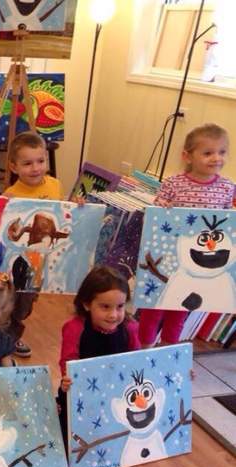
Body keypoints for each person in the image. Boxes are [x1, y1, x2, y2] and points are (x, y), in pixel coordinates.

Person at [138, 123, 235, 347]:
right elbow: (156, 217)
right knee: (154, 307)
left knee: (181, 308)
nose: (216, 158)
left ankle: (170, 349)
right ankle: (144, 348)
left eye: (222, 152)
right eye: (208, 153)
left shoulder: (227, 187)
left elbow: (226, 225)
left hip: (199, 263)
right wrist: (163, 210)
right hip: (169, 256)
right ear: (187, 156)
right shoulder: (174, 184)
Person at [57, 266, 140, 446]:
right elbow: (68, 362)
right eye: (105, 307)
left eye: (120, 306)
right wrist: (67, 379)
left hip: (116, 394)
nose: (113, 315)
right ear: (87, 304)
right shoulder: (75, 327)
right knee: (70, 436)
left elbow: (138, 361)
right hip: (81, 393)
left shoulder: (130, 328)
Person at [0, 131, 64, 359]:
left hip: (42, 260)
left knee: (26, 302)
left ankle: (12, 332)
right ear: (14, 167)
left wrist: (77, 205)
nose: (36, 168)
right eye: (27, 163)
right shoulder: (11, 194)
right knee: (9, 299)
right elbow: (4, 232)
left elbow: (63, 214)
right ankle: (3, 339)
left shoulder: (55, 185)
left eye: (40, 161)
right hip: (17, 260)